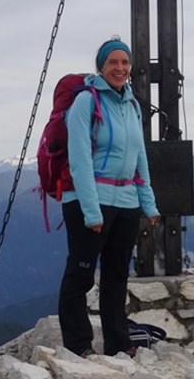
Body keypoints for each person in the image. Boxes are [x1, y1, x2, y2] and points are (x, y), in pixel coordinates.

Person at [57, 36, 160, 358]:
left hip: (126, 201)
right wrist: (91, 210)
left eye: (124, 62)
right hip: (91, 201)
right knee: (81, 274)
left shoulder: (132, 104)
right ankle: (78, 347)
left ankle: (119, 343)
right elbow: (79, 160)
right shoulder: (87, 102)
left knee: (116, 275)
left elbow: (139, 156)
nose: (119, 68)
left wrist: (148, 202)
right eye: (112, 62)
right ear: (101, 67)